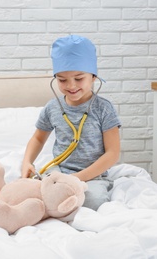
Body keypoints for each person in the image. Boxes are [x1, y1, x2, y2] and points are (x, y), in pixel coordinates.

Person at [21, 35, 121, 211]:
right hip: (59, 172)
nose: (71, 85)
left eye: (79, 78)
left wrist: (78, 178)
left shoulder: (104, 109)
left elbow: (112, 153)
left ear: (94, 77)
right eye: (62, 79)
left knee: (93, 201)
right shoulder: (53, 107)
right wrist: (27, 162)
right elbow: (38, 138)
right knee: (30, 192)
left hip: (92, 176)